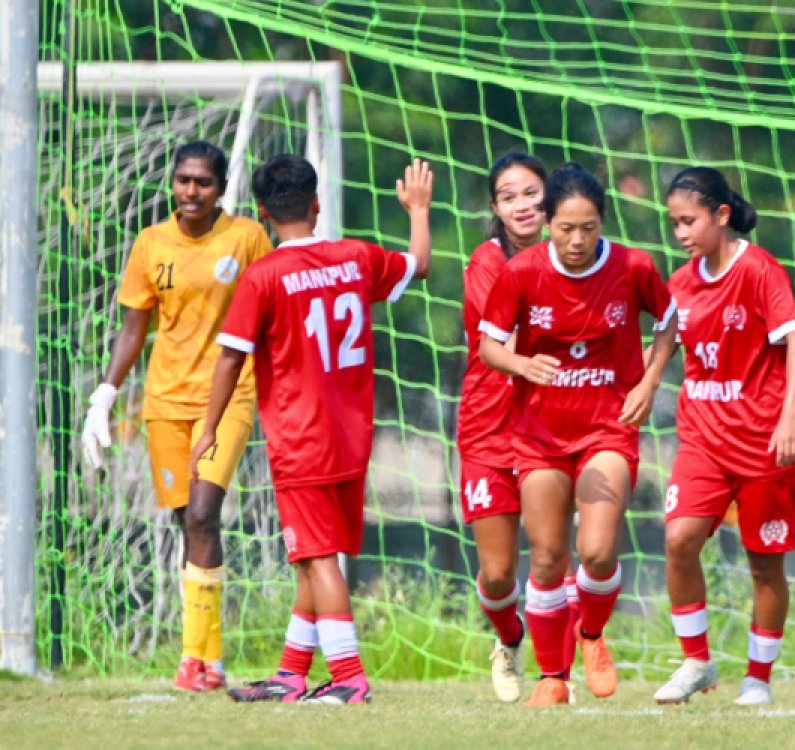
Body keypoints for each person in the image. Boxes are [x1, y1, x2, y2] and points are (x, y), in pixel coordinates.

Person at [190, 154, 433, 704]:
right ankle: (291, 673)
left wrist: (208, 430)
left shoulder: (264, 276)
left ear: (260, 213)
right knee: (311, 555)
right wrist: (418, 209)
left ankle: (349, 678)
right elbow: (418, 264)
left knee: (318, 557)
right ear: (317, 203)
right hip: (352, 437)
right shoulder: (356, 257)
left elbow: (230, 360)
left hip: (302, 441)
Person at [478, 163, 677, 707]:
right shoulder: (520, 272)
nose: (577, 240)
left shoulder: (633, 266)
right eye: (566, 228)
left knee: (595, 552)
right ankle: (553, 677)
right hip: (539, 435)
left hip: (608, 429)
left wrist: (649, 381)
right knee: (545, 558)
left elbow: (669, 322)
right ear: (547, 223)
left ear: (602, 223)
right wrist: (521, 365)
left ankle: (590, 634)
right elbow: (489, 346)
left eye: (588, 228)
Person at [80, 140, 272, 692]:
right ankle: (210, 662)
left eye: (203, 183)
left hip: (229, 397)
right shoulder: (150, 243)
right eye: (184, 180)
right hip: (165, 403)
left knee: (204, 516)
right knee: (185, 522)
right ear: (173, 183)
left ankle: (192, 659)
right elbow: (134, 328)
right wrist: (105, 396)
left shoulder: (247, 238)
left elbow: (271, 310)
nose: (192, 191)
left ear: (220, 189)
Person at [651, 167, 795, 707]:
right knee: (679, 541)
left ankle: (757, 679)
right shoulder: (681, 281)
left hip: (765, 441)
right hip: (702, 439)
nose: (681, 233)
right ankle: (696, 660)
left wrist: (789, 417)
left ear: (721, 215)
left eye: (689, 221)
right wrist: (648, 383)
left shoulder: (761, 271)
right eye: (674, 223)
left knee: (765, 564)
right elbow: (668, 333)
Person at [459, 152, 580, 702]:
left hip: (552, 423)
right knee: (499, 571)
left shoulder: (582, 257)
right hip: (488, 426)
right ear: (495, 208)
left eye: (531, 193)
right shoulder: (488, 263)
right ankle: (508, 640)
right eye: (509, 197)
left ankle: (560, 674)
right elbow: (501, 341)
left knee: (553, 554)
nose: (522, 205)